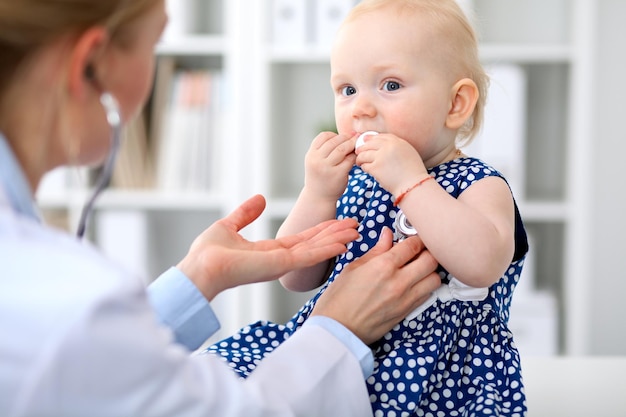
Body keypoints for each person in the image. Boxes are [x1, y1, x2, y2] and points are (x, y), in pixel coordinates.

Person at [0, 0, 443, 416]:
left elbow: (87, 363)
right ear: (91, 66)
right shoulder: (63, 301)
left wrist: (200, 275)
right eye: (154, 45)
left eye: (390, 86)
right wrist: (337, 327)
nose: (362, 107)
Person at [207, 0, 530, 416]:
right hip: (340, 350)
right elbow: (295, 276)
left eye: (391, 85)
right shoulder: (354, 182)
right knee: (225, 375)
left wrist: (411, 182)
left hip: (444, 373)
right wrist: (319, 193)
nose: (360, 107)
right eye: (347, 89)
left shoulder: (480, 184)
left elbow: (483, 264)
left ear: (455, 105)